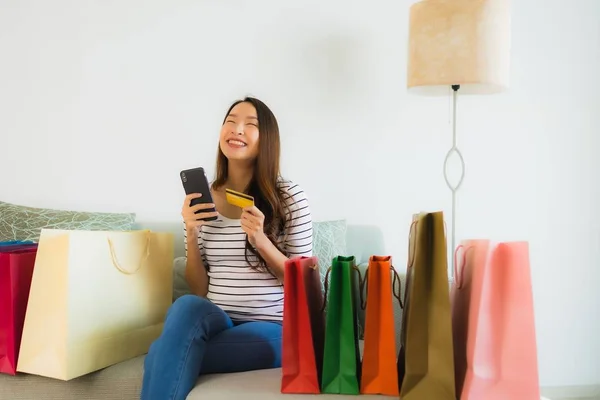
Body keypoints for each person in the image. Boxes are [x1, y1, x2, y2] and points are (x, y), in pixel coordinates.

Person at [141, 97, 313, 400]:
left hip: (273, 327)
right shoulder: (203, 200)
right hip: (218, 320)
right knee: (185, 306)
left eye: (251, 124)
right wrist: (191, 233)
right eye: (231, 121)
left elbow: (302, 283)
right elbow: (199, 288)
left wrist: (261, 240)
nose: (237, 129)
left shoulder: (288, 198)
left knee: (161, 353)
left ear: (267, 140)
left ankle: (164, 356)